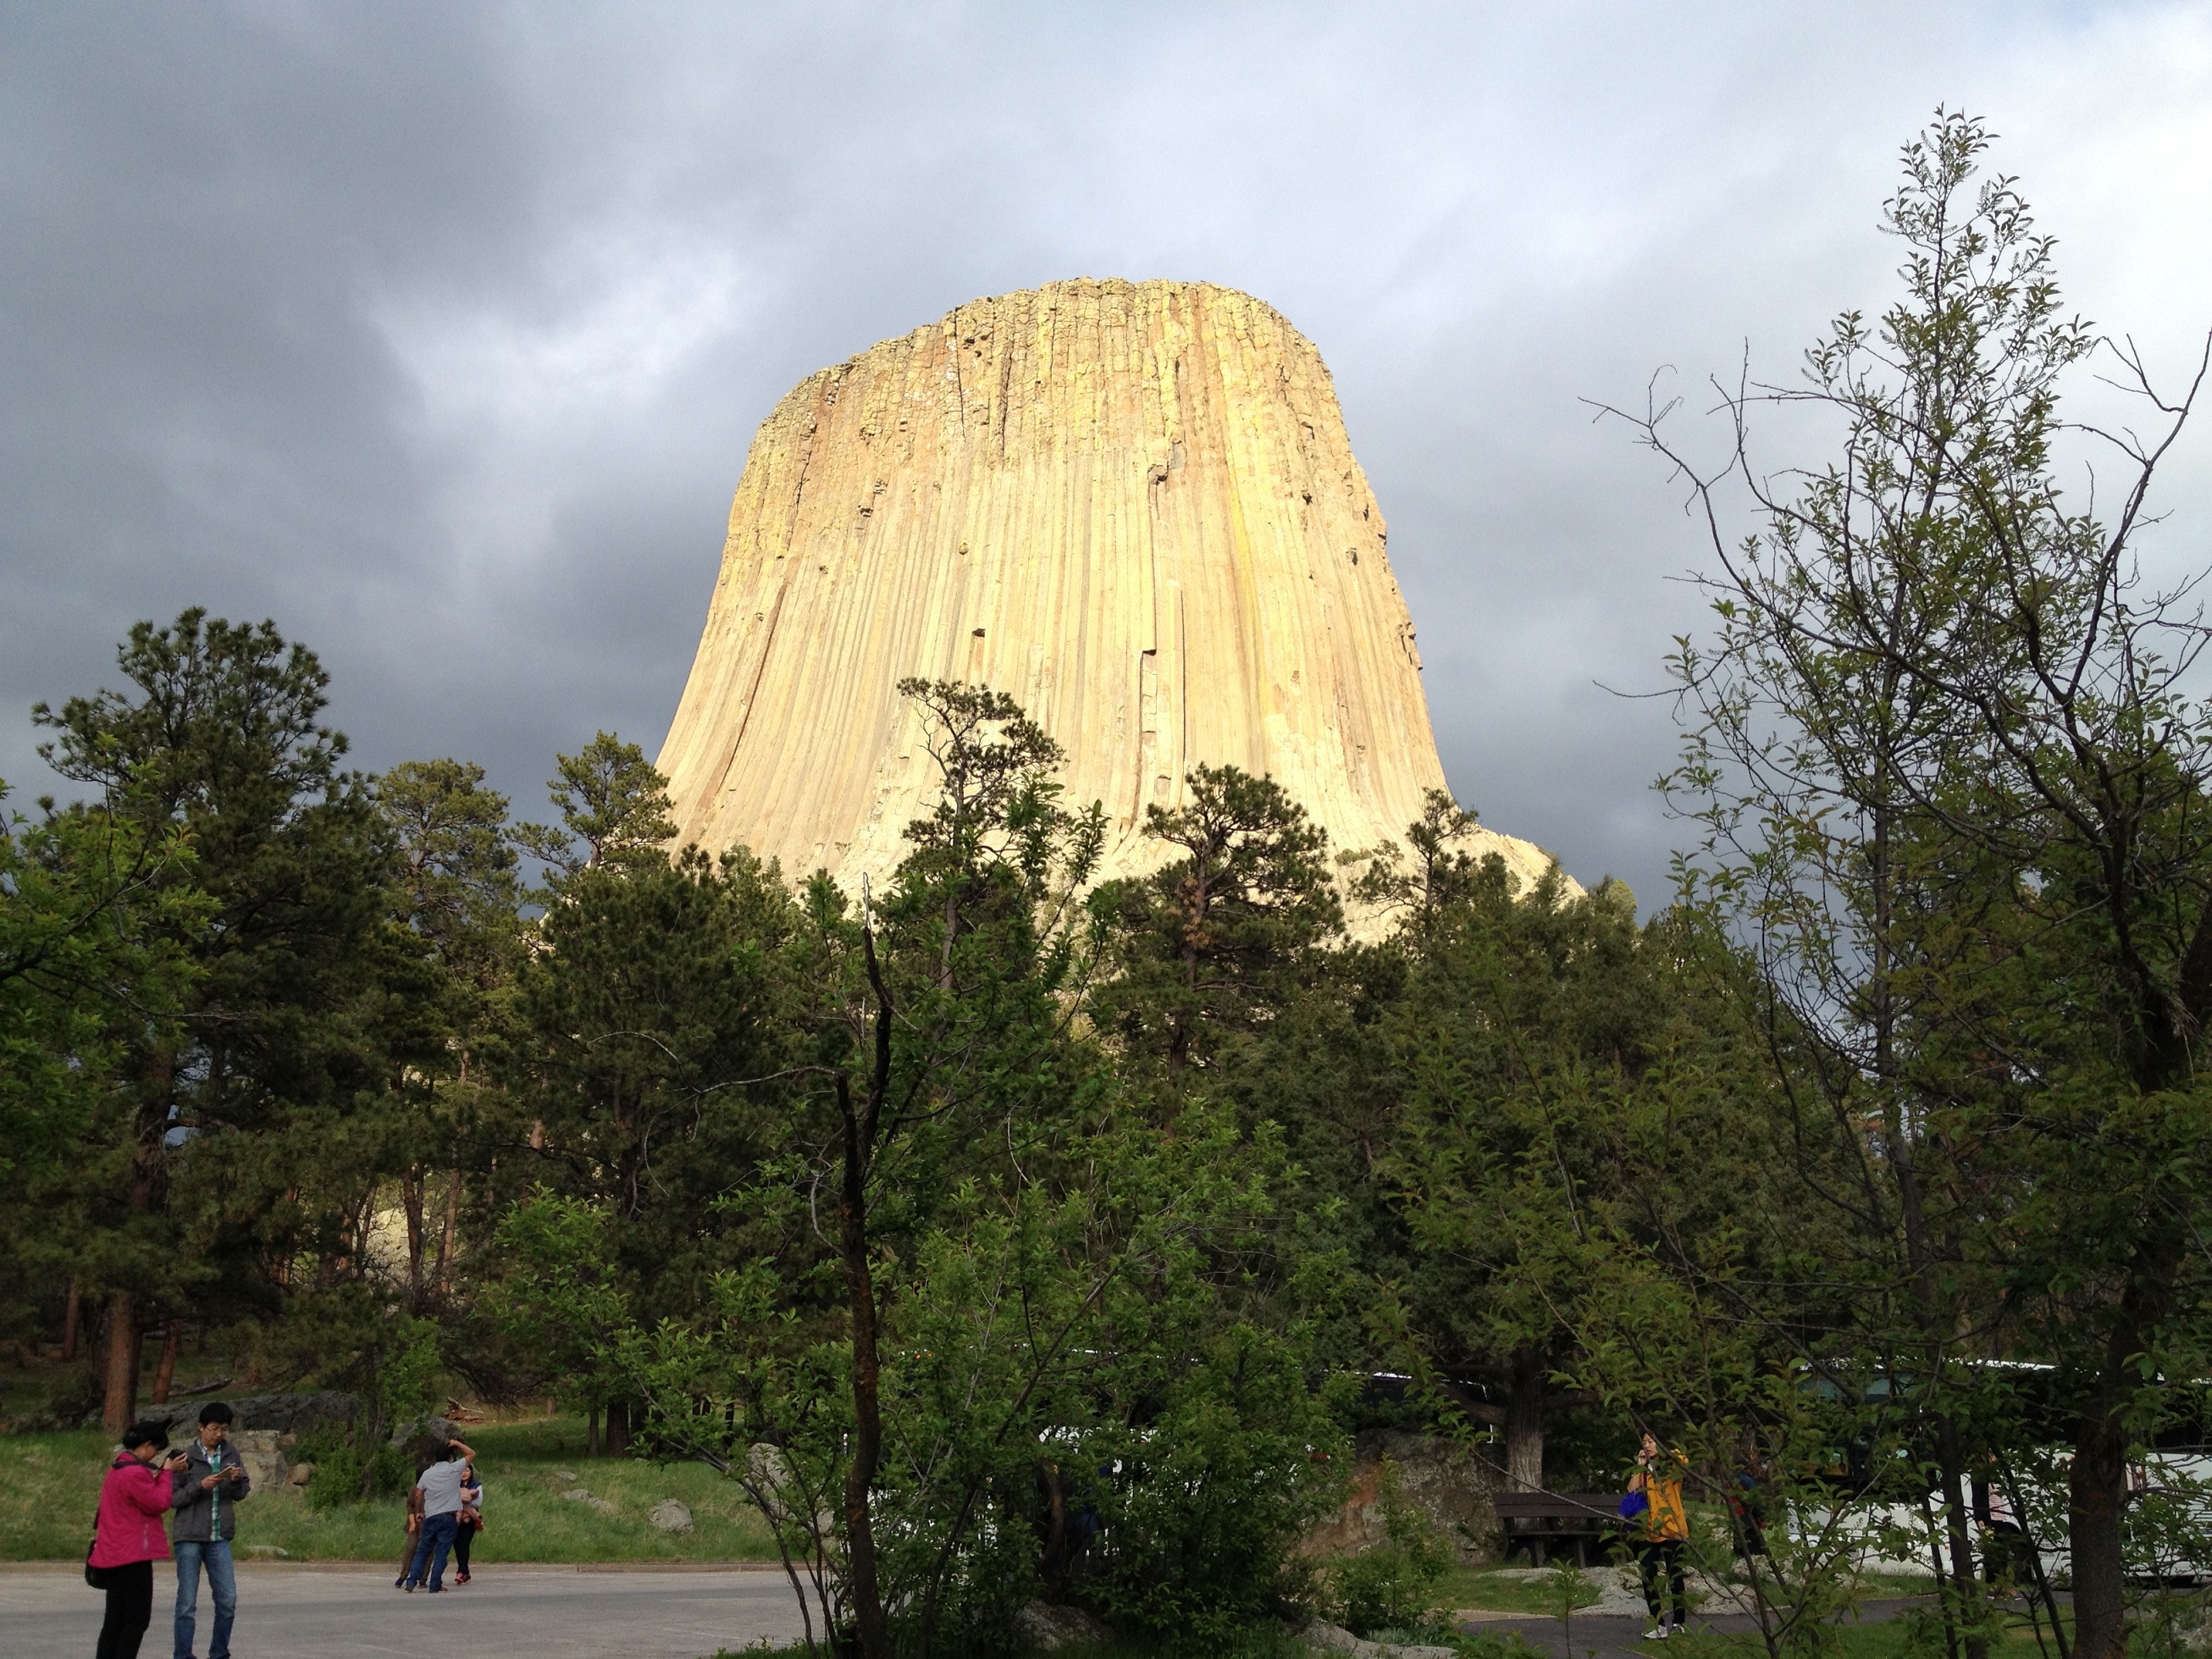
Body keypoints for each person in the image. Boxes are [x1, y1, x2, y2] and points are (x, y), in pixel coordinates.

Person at [91, 1422, 187, 1659]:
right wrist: (166, 1473)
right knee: (136, 1621)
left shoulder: (118, 1468)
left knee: (114, 1620)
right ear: (146, 1445)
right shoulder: (135, 1473)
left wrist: (157, 1473)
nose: (156, 1454)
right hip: (132, 1555)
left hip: (113, 1554)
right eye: (156, 1449)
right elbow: (158, 1502)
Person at [169, 1402, 250, 1659]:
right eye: (214, 1429)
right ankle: (183, 1655)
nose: (218, 1435)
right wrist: (200, 1486)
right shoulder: (185, 1456)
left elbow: (241, 1493)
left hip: (219, 1537)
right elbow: (172, 1499)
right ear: (201, 1427)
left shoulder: (231, 1453)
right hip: (189, 1537)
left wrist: (236, 1481)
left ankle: (219, 1652)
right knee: (187, 1605)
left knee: (228, 1600)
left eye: (224, 1430)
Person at [1629, 1430, 1690, 1640]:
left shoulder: (1670, 1465)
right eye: (1644, 1442)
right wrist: (1640, 1465)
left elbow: (1683, 1460)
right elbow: (1631, 1490)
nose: (1647, 1445)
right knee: (1648, 1576)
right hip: (1650, 1530)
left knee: (1675, 1576)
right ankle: (1658, 1623)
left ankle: (1679, 1621)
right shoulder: (1644, 1469)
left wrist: (1662, 1453)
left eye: (1650, 1441)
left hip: (1672, 1529)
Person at [400, 1437, 476, 1593]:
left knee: (423, 1550)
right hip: (448, 1517)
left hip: (431, 1516)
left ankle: (411, 1581)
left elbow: (419, 1494)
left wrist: (420, 1512)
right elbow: (471, 1453)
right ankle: (434, 1584)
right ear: (449, 1457)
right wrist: (456, 1443)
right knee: (441, 1552)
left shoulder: (427, 1474)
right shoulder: (455, 1469)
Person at [451, 1459, 484, 1586]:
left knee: (464, 1544)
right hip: (456, 1518)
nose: (464, 1473)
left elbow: (478, 1502)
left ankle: (462, 1572)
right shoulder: (453, 1485)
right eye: (462, 1471)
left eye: (467, 1470)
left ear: (471, 1472)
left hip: (470, 1520)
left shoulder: (477, 1485)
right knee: (456, 1544)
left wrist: (464, 1500)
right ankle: (464, 1571)